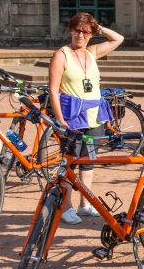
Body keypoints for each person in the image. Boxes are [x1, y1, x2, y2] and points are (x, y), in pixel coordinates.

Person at [48, 13, 125, 224]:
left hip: (93, 119)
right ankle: (66, 207)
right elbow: (53, 90)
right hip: (72, 118)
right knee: (70, 163)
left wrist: (98, 27)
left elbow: (118, 39)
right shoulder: (61, 55)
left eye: (85, 32)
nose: (81, 35)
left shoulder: (92, 52)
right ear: (70, 31)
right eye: (77, 30)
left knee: (88, 161)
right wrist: (60, 119)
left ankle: (85, 204)